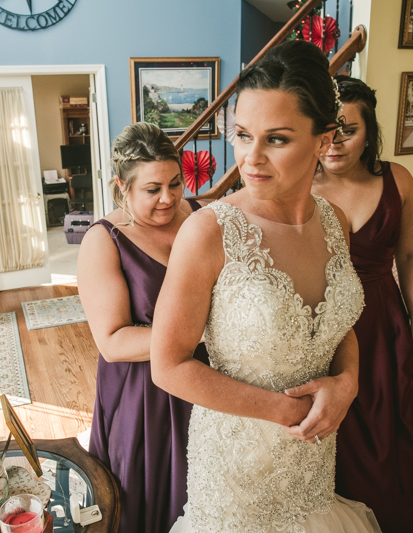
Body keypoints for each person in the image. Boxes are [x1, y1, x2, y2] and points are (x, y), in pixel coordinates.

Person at [152, 41, 381, 533]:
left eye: (276, 139)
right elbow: (167, 366)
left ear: (323, 141)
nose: (250, 158)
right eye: (242, 135)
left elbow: (335, 328)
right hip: (237, 482)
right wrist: (285, 411)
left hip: (312, 468)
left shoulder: (336, 222)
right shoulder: (209, 231)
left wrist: (347, 383)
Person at [312, 76, 413, 533]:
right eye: (328, 129)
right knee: (338, 443)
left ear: (370, 131)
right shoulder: (300, 185)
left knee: (396, 441)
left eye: (349, 129)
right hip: (324, 327)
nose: (336, 142)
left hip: (384, 325)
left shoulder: (398, 179)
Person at [77, 122, 209, 533]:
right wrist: (199, 333)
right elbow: (113, 341)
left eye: (175, 182)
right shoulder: (104, 240)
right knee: (153, 502)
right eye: (152, 190)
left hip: (210, 382)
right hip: (146, 394)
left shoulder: (202, 216)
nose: (168, 198)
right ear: (123, 186)